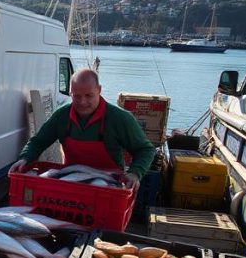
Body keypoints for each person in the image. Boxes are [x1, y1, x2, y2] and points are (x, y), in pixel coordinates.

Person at [9, 68, 155, 187]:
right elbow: (38, 141)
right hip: (70, 181)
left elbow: (145, 149)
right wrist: (25, 158)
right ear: (70, 93)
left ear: (99, 90)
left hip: (108, 185)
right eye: (77, 96)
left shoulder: (120, 118)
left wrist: (135, 172)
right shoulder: (62, 115)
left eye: (89, 95)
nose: (83, 102)